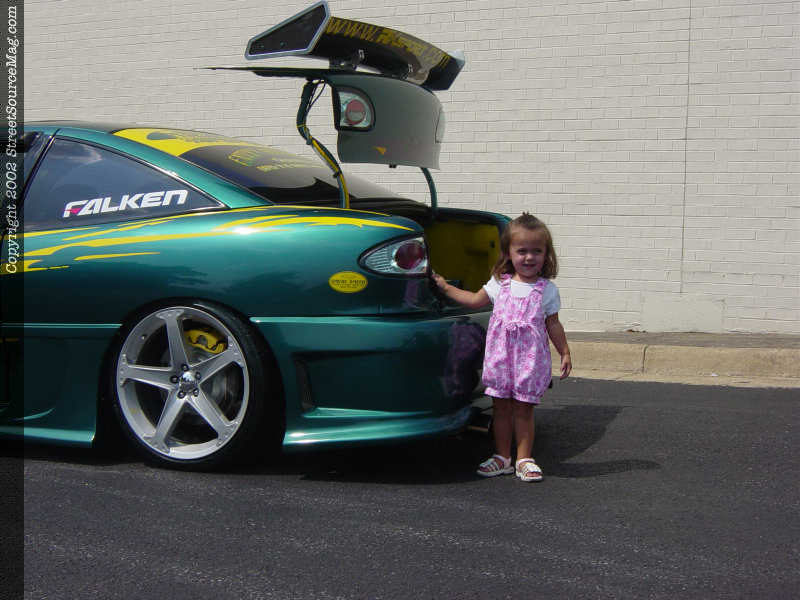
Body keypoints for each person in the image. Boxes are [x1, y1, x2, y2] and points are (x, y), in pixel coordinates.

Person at [432, 213, 571, 482]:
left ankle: (524, 459)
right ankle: (502, 457)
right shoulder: (499, 284)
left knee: (524, 409)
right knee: (501, 409)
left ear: (546, 255)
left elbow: (553, 324)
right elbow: (474, 300)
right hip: (500, 360)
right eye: (522, 251)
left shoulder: (546, 290)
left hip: (529, 362)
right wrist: (445, 288)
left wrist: (564, 351)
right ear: (508, 253)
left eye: (537, 251)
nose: (529, 257)